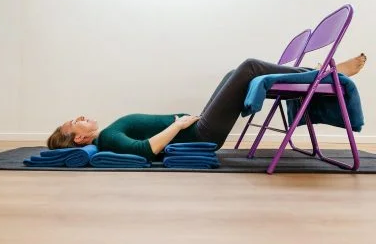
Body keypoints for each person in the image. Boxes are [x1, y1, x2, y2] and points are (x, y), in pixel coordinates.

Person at [47, 54, 367, 161]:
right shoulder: (108, 141)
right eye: (75, 122)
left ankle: (319, 74)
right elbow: (146, 151)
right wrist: (179, 125)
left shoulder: (107, 134)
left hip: (197, 126)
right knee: (251, 67)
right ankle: (326, 74)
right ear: (78, 139)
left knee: (235, 74)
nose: (80, 117)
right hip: (201, 133)